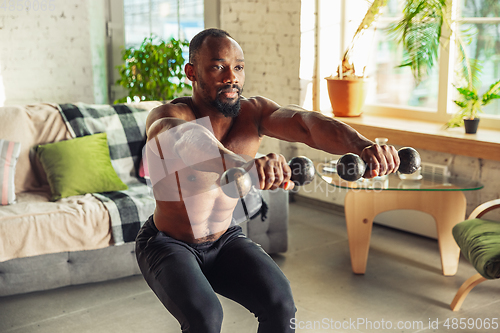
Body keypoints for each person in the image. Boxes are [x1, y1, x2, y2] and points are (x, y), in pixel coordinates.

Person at [135, 28, 400, 333]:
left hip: (224, 239)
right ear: (192, 72)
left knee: (280, 305)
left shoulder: (254, 113)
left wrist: (363, 146)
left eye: (238, 67)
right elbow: (188, 142)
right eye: (218, 67)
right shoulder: (168, 117)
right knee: (206, 318)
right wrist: (244, 165)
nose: (231, 77)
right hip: (168, 243)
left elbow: (308, 125)